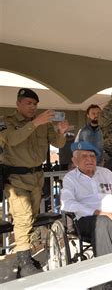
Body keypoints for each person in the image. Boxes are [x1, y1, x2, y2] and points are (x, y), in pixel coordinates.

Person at [0, 88, 68, 277]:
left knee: (31, 218)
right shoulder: (7, 122)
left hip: (36, 178)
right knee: (22, 217)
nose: (33, 107)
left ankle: (27, 255)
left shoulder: (43, 124)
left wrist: (61, 132)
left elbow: (59, 144)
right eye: (29, 103)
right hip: (15, 178)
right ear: (18, 104)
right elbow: (12, 140)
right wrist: (35, 123)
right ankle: (23, 261)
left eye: (35, 104)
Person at [61, 141, 112, 259]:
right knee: (101, 221)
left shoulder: (105, 173)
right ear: (75, 161)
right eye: (84, 156)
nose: (89, 159)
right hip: (88, 219)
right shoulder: (70, 179)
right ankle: (108, 270)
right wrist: (96, 212)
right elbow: (68, 203)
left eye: (92, 156)